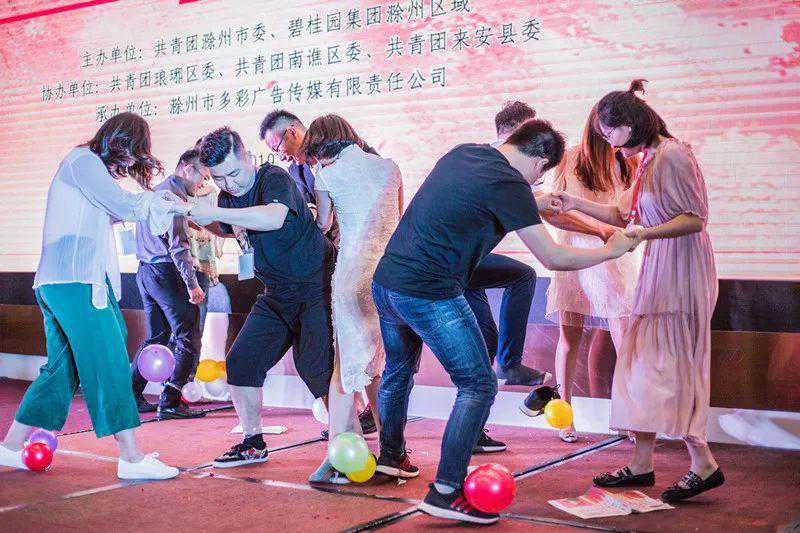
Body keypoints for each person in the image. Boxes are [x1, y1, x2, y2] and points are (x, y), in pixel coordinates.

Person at [372, 119, 636, 524]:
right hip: (429, 291)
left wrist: (566, 214)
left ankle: (390, 457)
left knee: (397, 371)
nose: (535, 183)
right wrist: (611, 251)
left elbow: (509, 204)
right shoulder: (510, 184)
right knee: (478, 385)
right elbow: (554, 257)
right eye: (539, 176)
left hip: (388, 284)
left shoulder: (466, 154)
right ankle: (446, 491)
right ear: (540, 162)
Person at [553, 80, 724, 503]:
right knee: (641, 362)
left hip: (682, 269)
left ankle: (703, 463)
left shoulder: (673, 155)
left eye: (610, 132)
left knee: (670, 365)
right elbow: (620, 212)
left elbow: (695, 219)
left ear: (630, 124)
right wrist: (573, 202)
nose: (609, 142)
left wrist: (644, 234)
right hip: (660, 266)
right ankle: (642, 463)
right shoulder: (649, 159)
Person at [0, 113, 184, 480]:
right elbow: (124, 205)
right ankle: (131, 458)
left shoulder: (85, 166)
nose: (130, 162)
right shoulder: (83, 161)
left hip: (65, 281)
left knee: (62, 367)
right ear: (119, 141)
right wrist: (164, 202)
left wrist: (158, 203)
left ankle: (10, 446)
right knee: (110, 359)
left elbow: (115, 212)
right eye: (132, 152)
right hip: (76, 281)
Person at [188, 127, 335, 471]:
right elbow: (225, 228)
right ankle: (253, 443)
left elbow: (273, 216)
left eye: (234, 173)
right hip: (276, 294)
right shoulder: (227, 198)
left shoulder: (274, 178)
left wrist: (218, 214)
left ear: (248, 158)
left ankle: (348, 440)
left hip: (316, 287)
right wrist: (192, 213)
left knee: (317, 370)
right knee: (242, 362)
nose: (230, 185)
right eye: (220, 179)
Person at [523, 104, 640, 442]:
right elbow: (553, 211)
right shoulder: (571, 159)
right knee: (570, 337)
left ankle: (627, 417)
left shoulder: (628, 162)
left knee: (625, 338)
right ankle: (565, 416)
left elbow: (628, 213)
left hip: (613, 256)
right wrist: (596, 231)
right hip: (575, 253)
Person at [298, 115, 403, 483]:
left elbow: (324, 225)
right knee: (383, 365)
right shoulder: (389, 167)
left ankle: (337, 454)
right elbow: (398, 221)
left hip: (352, 275)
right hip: (389, 275)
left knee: (344, 370)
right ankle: (394, 451)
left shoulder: (325, 175)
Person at [260, 109, 376, 436]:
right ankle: (354, 416)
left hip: (358, 258)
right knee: (328, 347)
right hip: (322, 266)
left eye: (277, 146)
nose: (279, 155)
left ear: (293, 131)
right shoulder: (293, 173)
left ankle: (372, 424)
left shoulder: (352, 155)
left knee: (362, 343)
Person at [466, 101, 547, 455]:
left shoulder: (490, 161)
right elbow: (544, 233)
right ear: (515, 132)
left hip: (469, 261)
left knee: (486, 339)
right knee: (522, 277)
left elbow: (541, 207)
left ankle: (474, 428)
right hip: (454, 265)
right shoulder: (498, 166)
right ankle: (509, 365)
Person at [130, 149, 209, 419]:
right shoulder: (172, 199)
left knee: (157, 337)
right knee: (188, 335)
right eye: (203, 176)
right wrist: (192, 284)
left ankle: (131, 395)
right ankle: (171, 401)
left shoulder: (156, 192)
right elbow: (178, 249)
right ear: (187, 168)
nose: (203, 183)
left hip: (145, 272)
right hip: (166, 273)